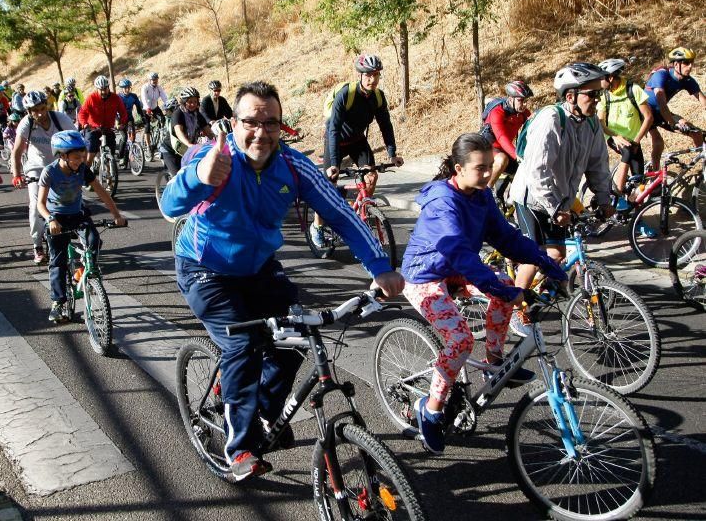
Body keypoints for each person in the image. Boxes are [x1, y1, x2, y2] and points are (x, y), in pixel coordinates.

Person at [161, 80, 405, 481]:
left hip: (258, 267)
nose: (261, 131)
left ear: (281, 126)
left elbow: (340, 214)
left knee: (294, 341)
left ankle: (264, 414)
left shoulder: (292, 165)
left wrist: (380, 266)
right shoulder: (213, 156)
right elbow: (170, 206)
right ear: (234, 123)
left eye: (270, 122)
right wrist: (199, 177)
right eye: (251, 121)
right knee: (242, 345)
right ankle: (239, 447)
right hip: (205, 269)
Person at [402, 133, 567, 454]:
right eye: (481, 168)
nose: (489, 173)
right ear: (459, 169)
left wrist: (546, 262)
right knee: (460, 340)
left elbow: (505, 237)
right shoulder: (442, 202)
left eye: (491, 166)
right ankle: (431, 410)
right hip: (424, 275)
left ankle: (495, 359)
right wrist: (498, 289)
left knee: (505, 287)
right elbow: (460, 253)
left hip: (457, 267)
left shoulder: (481, 194)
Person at [510, 63, 614, 303]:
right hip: (532, 197)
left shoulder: (591, 123)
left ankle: (539, 296)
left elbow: (598, 165)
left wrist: (604, 198)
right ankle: (513, 310)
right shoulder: (551, 119)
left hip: (559, 200)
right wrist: (554, 207)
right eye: (591, 94)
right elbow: (538, 169)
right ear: (571, 96)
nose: (597, 99)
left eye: (599, 94)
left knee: (556, 255)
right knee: (533, 257)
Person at [37, 130, 126, 323]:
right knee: (57, 261)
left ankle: (82, 272)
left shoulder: (83, 170)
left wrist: (117, 215)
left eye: (82, 156)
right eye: (76, 157)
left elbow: (102, 193)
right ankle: (58, 302)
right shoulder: (49, 172)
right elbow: (40, 204)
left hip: (77, 215)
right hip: (57, 218)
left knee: (94, 241)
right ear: (62, 155)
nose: (80, 160)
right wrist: (51, 219)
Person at [313, 54, 403, 244]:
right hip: (335, 140)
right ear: (360, 75)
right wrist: (335, 164)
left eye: (376, 75)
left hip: (357, 141)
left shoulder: (378, 97)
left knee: (371, 176)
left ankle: (363, 209)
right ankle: (317, 226)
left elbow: (385, 125)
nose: (373, 79)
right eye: (368, 75)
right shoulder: (346, 94)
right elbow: (334, 128)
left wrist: (392, 153)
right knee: (329, 183)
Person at [12, 91, 74, 264]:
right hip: (36, 169)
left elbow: (77, 140)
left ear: (46, 105)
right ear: (28, 112)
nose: (40, 113)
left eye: (42, 108)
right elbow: (17, 151)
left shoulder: (60, 119)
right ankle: (37, 245)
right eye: (34, 110)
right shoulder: (26, 124)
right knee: (35, 206)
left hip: (60, 166)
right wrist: (17, 174)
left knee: (72, 200)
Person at [597, 58, 654, 210]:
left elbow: (648, 117)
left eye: (602, 78)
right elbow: (601, 122)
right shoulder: (604, 95)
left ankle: (636, 219)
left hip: (633, 139)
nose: (599, 81)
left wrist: (637, 140)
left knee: (639, 182)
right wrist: (614, 136)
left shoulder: (633, 89)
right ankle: (616, 191)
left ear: (610, 77)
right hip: (613, 136)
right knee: (627, 151)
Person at [645, 47, 706, 169]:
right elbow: (661, 103)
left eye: (691, 63)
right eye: (686, 63)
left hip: (661, 113)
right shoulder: (662, 74)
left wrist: (676, 123)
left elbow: (703, 100)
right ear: (676, 64)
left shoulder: (687, 80)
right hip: (645, 112)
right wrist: (673, 123)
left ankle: (704, 165)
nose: (690, 67)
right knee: (658, 143)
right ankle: (655, 175)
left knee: (696, 133)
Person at [480, 80, 534, 188]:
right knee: (501, 160)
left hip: (504, 150)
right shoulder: (497, 112)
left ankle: (509, 200)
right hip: (487, 147)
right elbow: (501, 138)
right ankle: (486, 192)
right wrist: (516, 155)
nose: (524, 104)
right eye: (520, 100)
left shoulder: (523, 113)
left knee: (525, 171)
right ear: (510, 99)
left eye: (526, 101)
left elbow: (535, 128)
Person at [158, 87, 212, 177]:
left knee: (194, 175)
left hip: (187, 151)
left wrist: (218, 141)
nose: (193, 104)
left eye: (195, 101)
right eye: (190, 101)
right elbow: (179, 132)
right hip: (171, 151)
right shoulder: (178, 114)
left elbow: (208, 132)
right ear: (184, 102)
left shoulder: (197, 115)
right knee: (178, 177)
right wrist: (189, 144)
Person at [76, 75, 127, 169]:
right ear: (97, 89)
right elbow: (82, 113)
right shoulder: (91, 98)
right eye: (101, 89)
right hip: (93, 128)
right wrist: (85, 124)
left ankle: (110, 176)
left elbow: (123, 112)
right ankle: (85, 176)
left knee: (111, 150)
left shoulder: (115, 98)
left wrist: (121, 123)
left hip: (107, 128)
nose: (104, 91)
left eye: (106, 89)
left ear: (108, 87)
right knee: (91, 152)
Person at [141, 72, 169, 157]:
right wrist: (147, 108)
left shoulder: (159, 88)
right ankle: (149, 147)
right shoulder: (145, 87)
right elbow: (144, 98)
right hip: (145, 108)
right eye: (153, 80)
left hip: (155, 107)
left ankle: (159, 138)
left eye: (156, 79)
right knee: (147, 127)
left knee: (163, 120)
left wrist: (168, 105)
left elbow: (164, 97)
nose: (155, 81)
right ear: (149, 80)